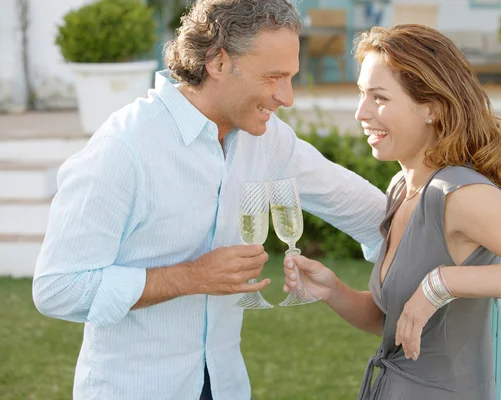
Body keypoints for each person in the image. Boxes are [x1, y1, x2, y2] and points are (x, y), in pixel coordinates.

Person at [31, 1, 386, 399]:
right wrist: (191, 277)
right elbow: (59, 287)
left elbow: (372, 214)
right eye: (273, 77)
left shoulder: (268, 140)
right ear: (217, 62)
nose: (286, 96)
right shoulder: (125, 148)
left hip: (225, 385)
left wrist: (452, 230)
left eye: (290, 77)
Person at [283, 24, 501, 400]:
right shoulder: (402, 187)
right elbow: (393, 323)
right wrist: (332, 290)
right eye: (362, 94)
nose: (360, 112)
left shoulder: (459, 193)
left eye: (379, 97)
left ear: (432, 107)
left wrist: (441, 283)